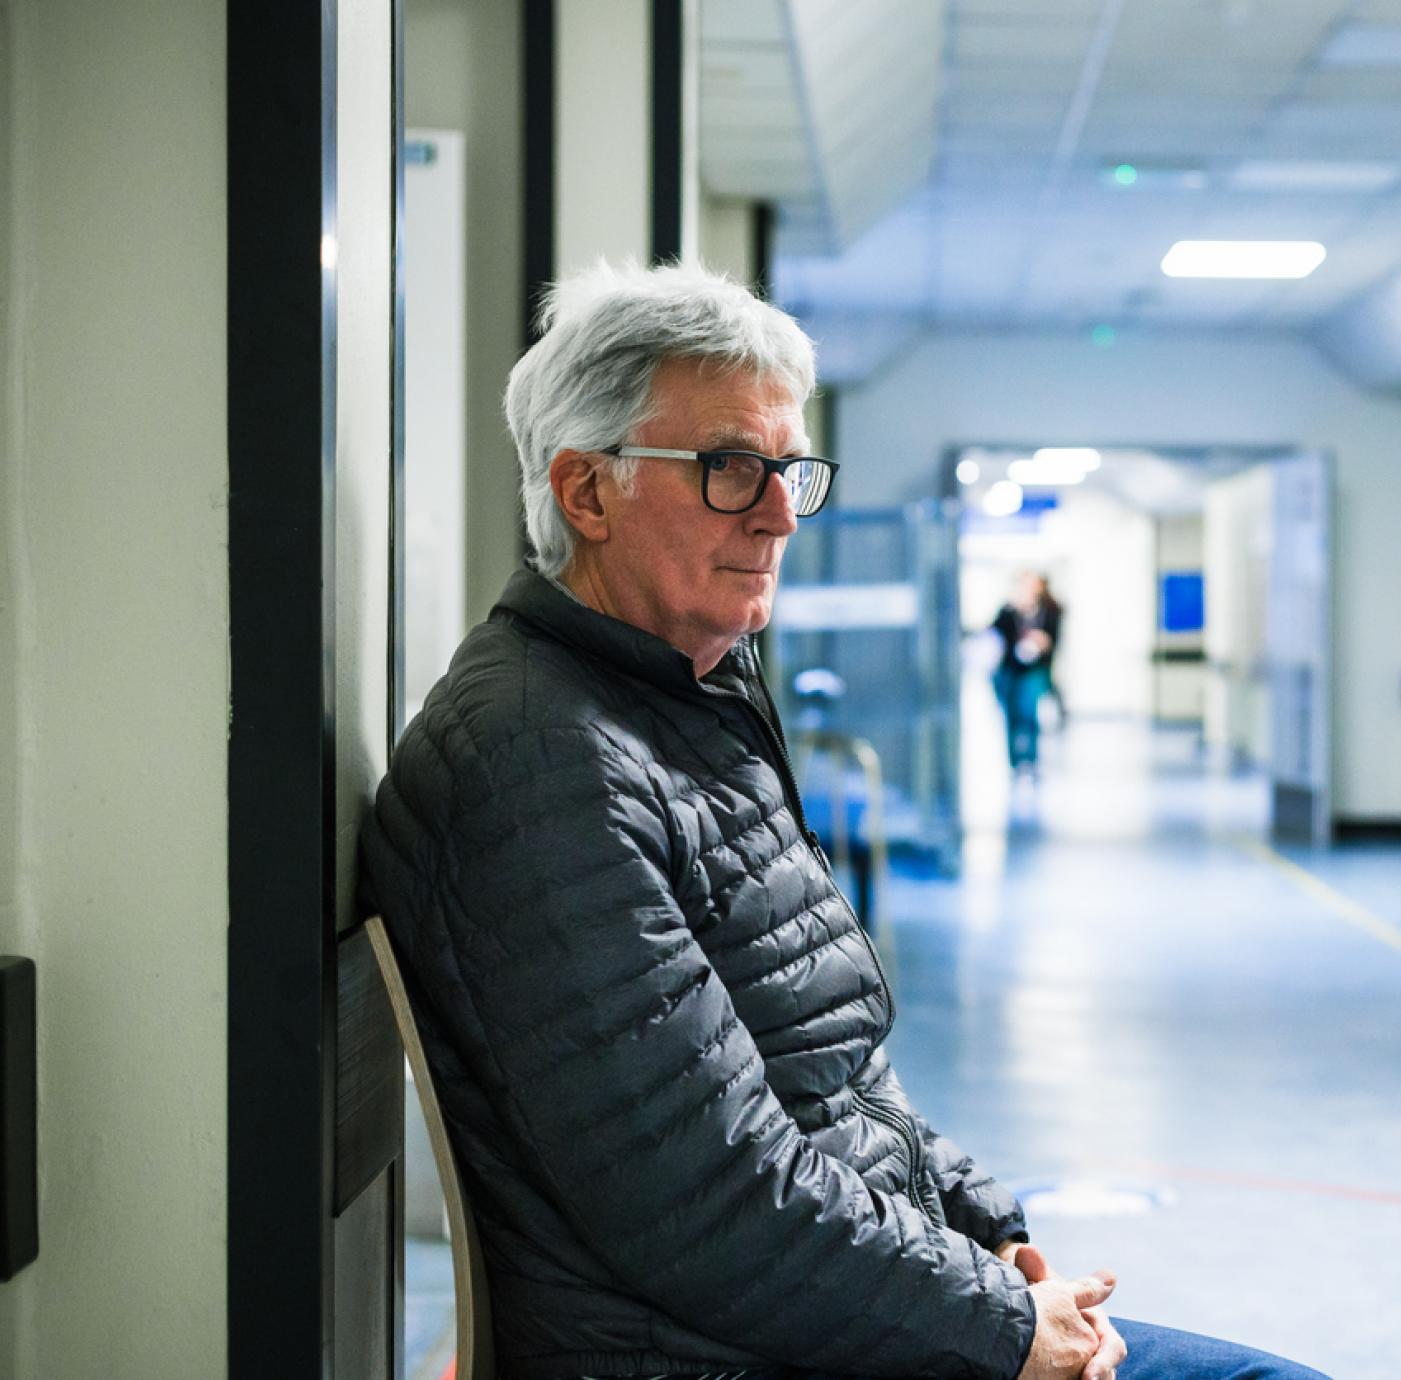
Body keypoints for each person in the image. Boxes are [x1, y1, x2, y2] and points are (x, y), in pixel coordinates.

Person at [362, 261, 1328, 1380]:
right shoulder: (540, 763)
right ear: (586, 493)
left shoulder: (684, 703)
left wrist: (990, 1233)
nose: (778, 513)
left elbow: (832, 1076)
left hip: (817, 1314)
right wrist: (1004, 1328)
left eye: (786, 469)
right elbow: (707, 1198)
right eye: (730, 469)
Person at [992, 572, 1063, 777]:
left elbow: (1056, 639)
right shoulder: (1008, 611)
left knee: (1029, 711)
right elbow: (994, 633)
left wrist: (1043, 641)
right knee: (1011, 714)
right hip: (1009, 670)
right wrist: (1012, 608)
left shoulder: (1050, 611)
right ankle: (1014, 759)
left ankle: (1031, 758)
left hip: (1034, 670)